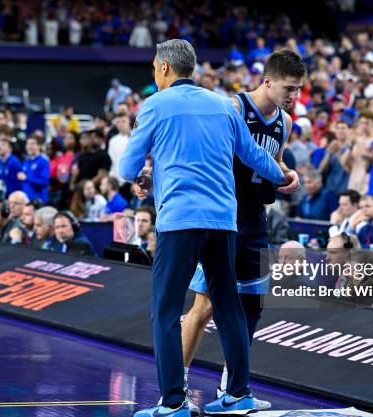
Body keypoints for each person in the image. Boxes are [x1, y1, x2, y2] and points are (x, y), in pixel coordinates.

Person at [119, 40, 291, 417]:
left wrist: (144, 176)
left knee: (165, 311)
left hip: (180, 221)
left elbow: (127, 168)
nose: (153, 73)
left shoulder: (154, 105)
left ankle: (173, 403)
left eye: (153, 67)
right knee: (229, 306)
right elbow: (254, 155)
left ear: (164, 69)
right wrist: (284, 175)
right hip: (223, 223)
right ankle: (238, 394)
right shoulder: (222, 104)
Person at [181, 49, 303, 412]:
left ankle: (231, 390)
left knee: (251, 305)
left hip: (254, 218)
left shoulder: (285, 121)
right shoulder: (233, 109)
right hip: (223, 217)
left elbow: (275, 162)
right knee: (204, 308)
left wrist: (288, 175)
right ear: (267, 81)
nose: (293, 96)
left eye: (298, 90)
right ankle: (175, 389)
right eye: (288, 88)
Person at [18, 137, 50, 203]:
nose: (29, 146)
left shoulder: (43, 161)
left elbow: (44, 182)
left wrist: (26, 178)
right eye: (27, 144)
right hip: (26, 200)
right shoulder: (25, 162)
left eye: (32, 144)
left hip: (38, 200)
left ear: (39, 146)